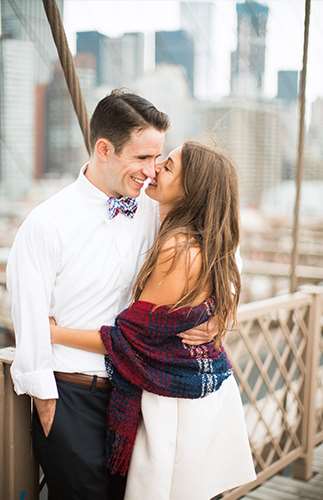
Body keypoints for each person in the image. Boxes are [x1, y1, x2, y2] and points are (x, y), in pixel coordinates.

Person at [6, 90, 217, 500]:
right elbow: (28, 314)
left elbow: (217, 251)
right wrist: (47, 405)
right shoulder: (46, 223)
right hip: (71, 396)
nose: (152, 171)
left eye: (157, 158)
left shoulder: (154, 211)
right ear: (104, 149)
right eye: (141, 158)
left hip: (139, 395)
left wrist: (218, 315)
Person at [49, 141, 256, 500]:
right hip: (206, 394)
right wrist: (220, 311)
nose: (156, 167)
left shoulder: (178, 248)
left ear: (190, 189)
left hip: (175, 408)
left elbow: (126, 341)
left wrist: (52, 332)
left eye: (169, 166)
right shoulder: (204, 239)